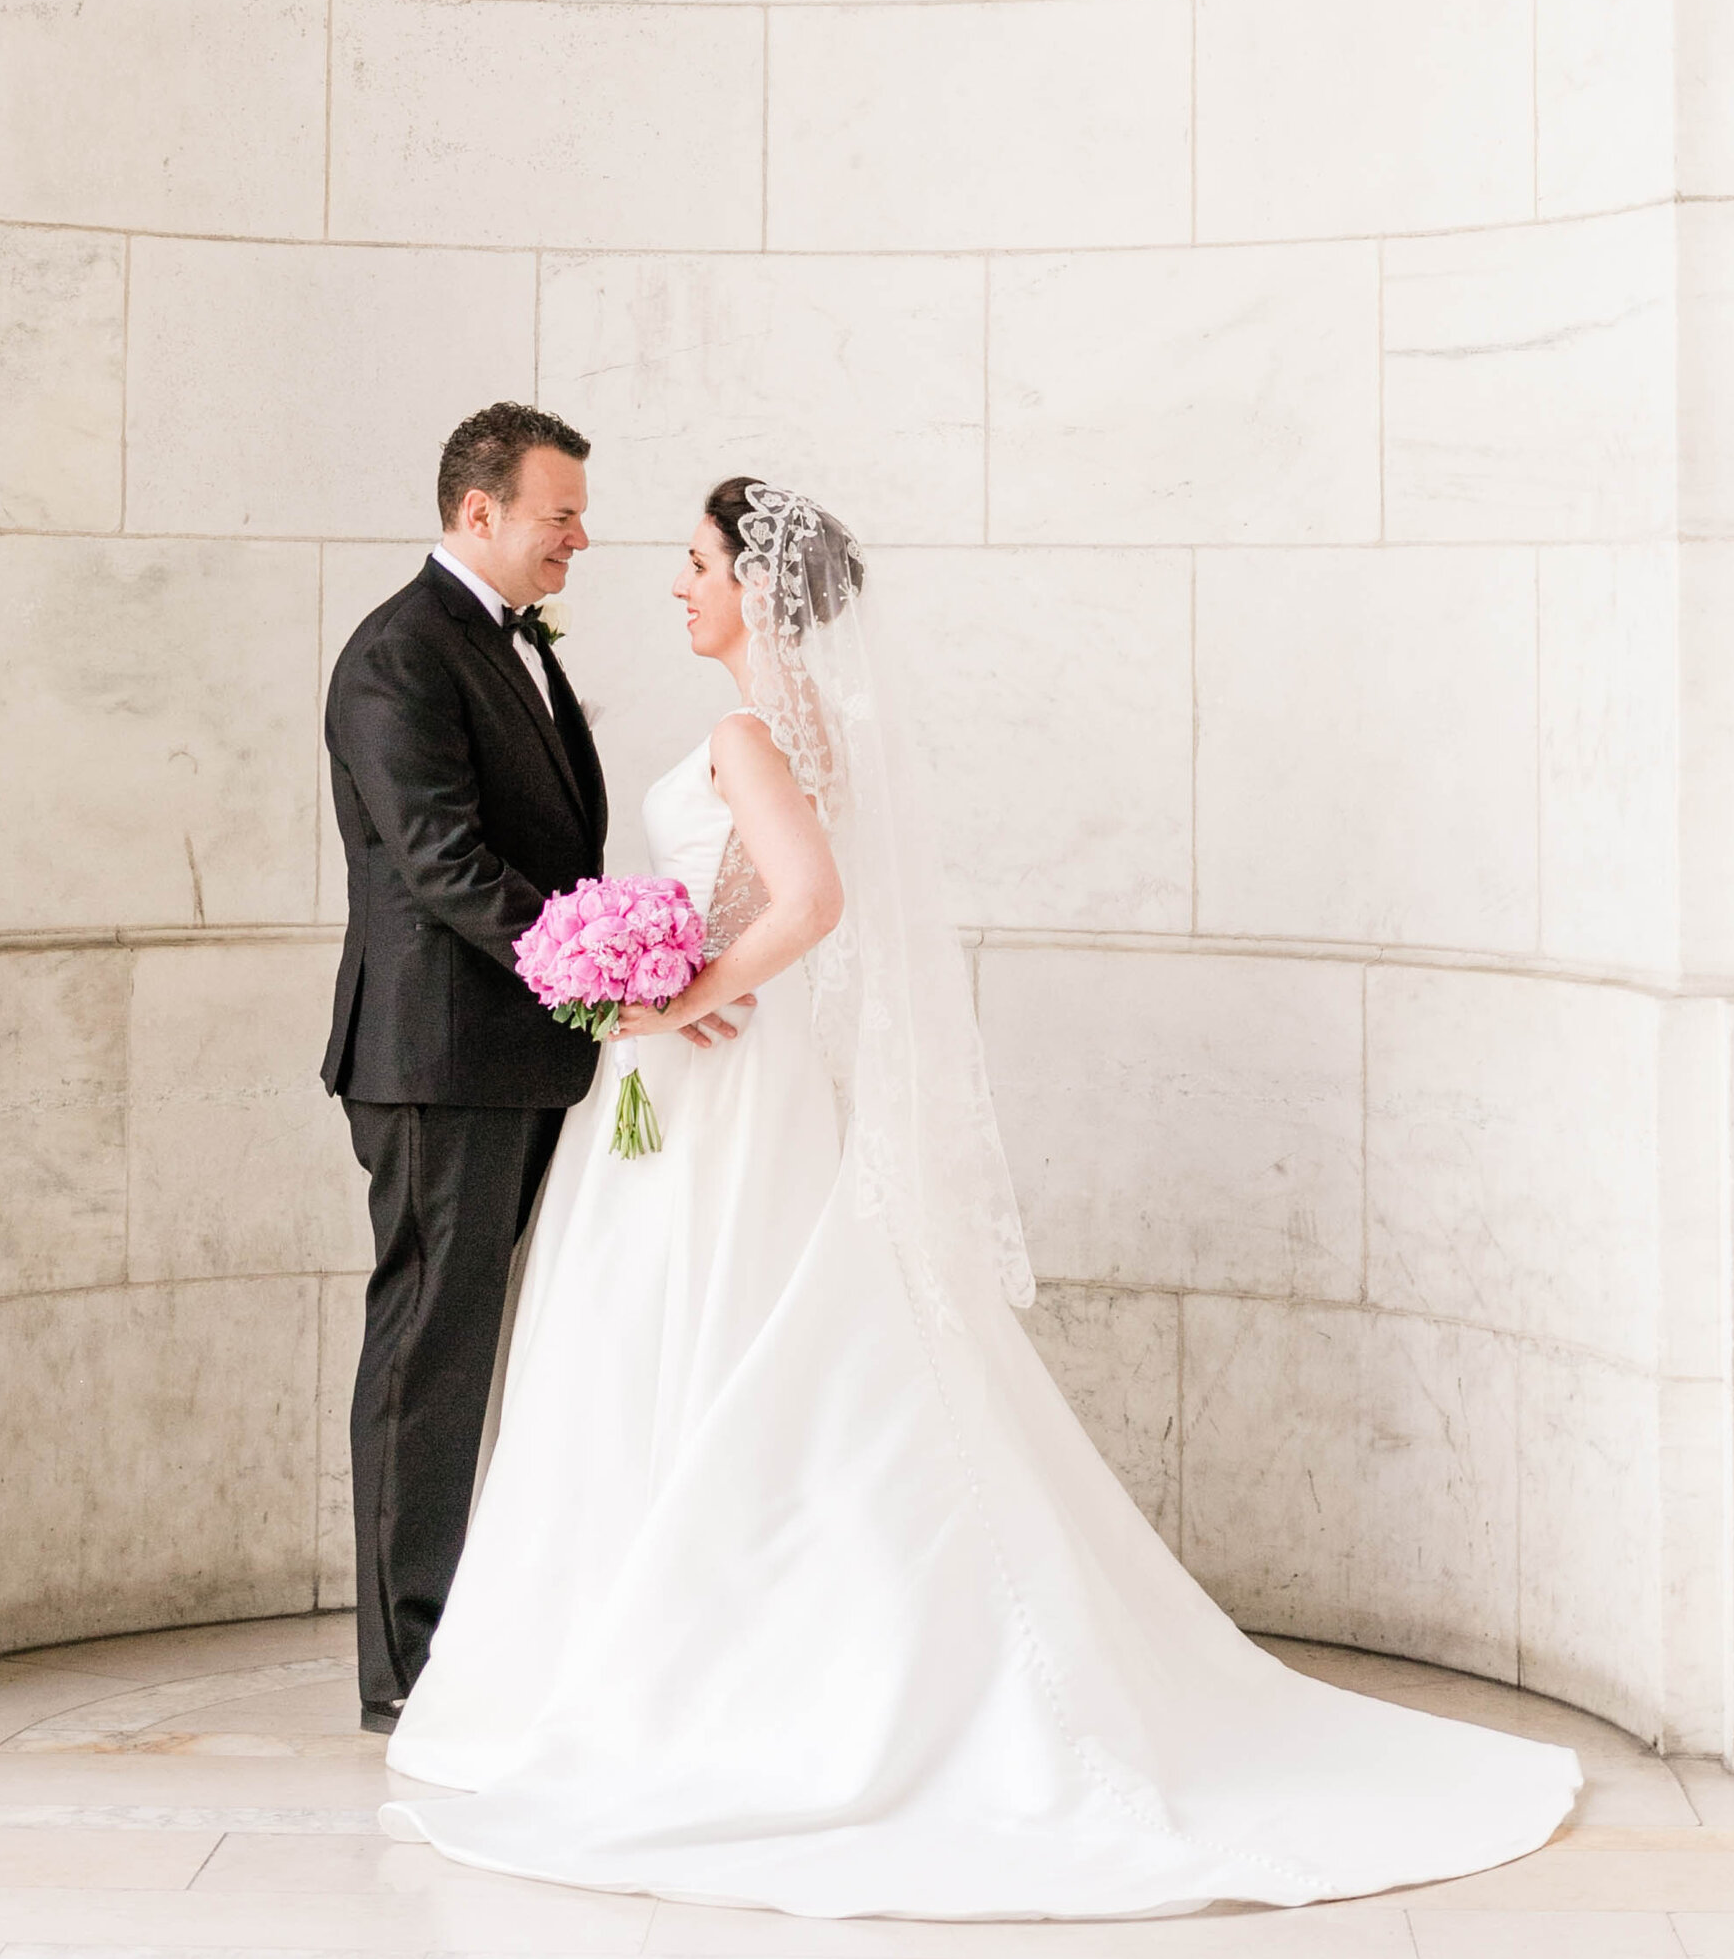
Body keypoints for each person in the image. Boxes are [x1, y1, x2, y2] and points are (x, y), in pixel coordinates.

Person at [379, 475, 1584, 1919]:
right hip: (739, 1075)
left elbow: (808, 902)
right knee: (740, 1340)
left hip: (728, 1080)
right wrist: (656, 957)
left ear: (758, 591)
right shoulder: (823, 731)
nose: (677, 584)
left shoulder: (752, 730)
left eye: (698, 563)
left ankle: (699, 1667)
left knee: (703, 1340)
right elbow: (782, 897)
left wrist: (674, 985)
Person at [324, 401, 744, 1735]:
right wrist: (613, 969)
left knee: (501, 1344)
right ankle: (408, 1661)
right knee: (429, 1350)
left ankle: (488, 1621)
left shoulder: (513, 647)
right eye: (559, 512)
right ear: (476, 512)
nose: (579, 535)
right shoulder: (398, 655)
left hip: (522, 1055)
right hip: (441, 1061)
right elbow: (445, 863)